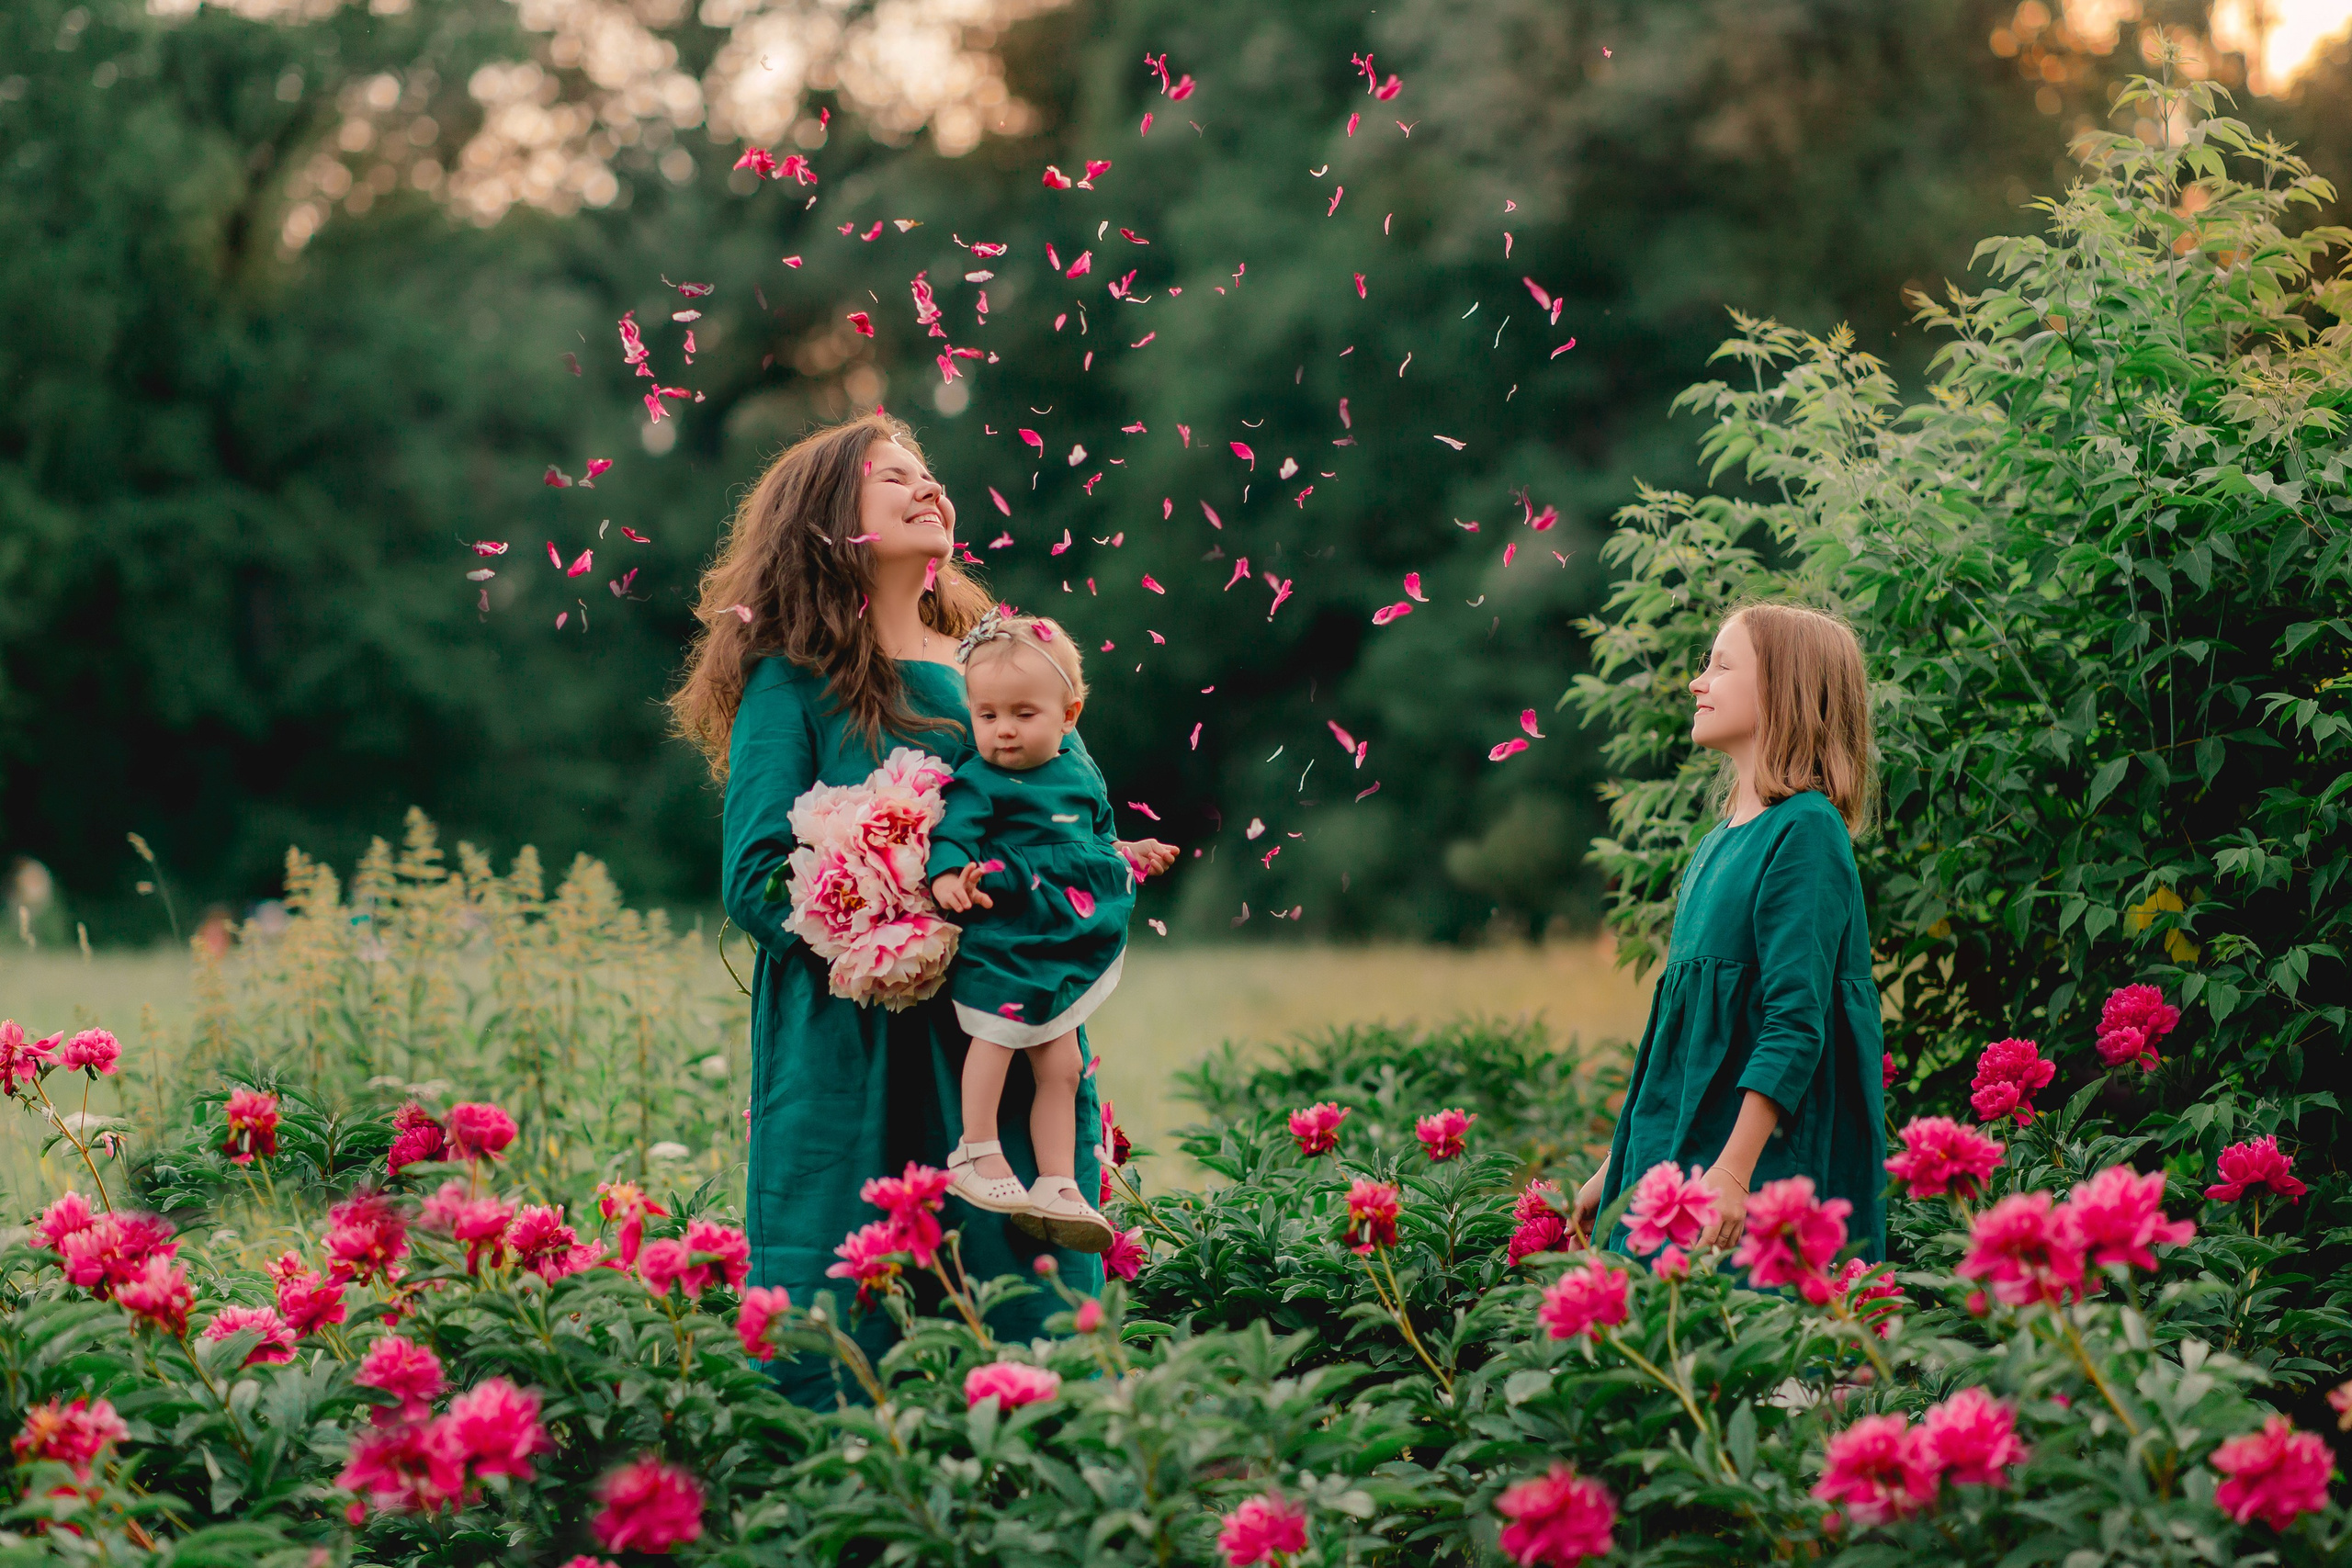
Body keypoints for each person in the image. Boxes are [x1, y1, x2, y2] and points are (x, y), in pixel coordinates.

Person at [670, 412, 1107, 1404]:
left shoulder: (1002, 673)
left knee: (1032, 1332)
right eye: (890, 476)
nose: (926, 487)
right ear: (828, 523)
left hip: (1008, 1030)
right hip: (856, 1052)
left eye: (928, 471)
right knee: (847, 1334)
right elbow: (755, 878)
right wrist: (894, 906)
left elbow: (1078, 821)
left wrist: (1059, 904)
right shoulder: (795, 683)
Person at [1572, 602, 1888, 1261]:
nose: (1698, 682)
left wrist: (1735, 1170)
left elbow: (1794, 1022)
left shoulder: (1805, 831)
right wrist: (1619, 1166)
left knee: (1749, 1349)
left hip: (1758, 1173)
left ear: (1783, 689)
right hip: (1687, 1160)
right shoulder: (1716, 844)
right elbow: (1679, 1038)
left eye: (1721, 665)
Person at [924, 612, 1175, 1251]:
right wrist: (950, 876)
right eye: (987, 714)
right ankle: (976, 1148)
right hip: (1008, 936)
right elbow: (953, 834)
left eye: (1022, 713)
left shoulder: (1079, 773)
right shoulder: (980, 780)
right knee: (998, 1036)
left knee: (1063, 1065)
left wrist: (1128, 848)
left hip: (1061, 940)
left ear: (1069, 715)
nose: (1003, 729)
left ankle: (1057, 1180)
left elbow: (1087, 837)